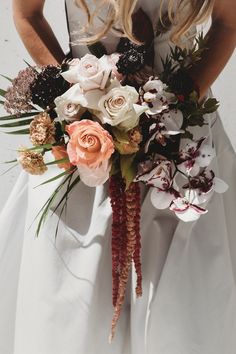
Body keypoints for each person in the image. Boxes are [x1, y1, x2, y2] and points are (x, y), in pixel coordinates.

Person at [0, 0, 236, 353]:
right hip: (85, 149)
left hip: (184, 153)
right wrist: (81, 99)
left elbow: (228, 23)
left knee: (183, 319)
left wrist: (175, 107)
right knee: (73, 320)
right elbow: (26, 14)